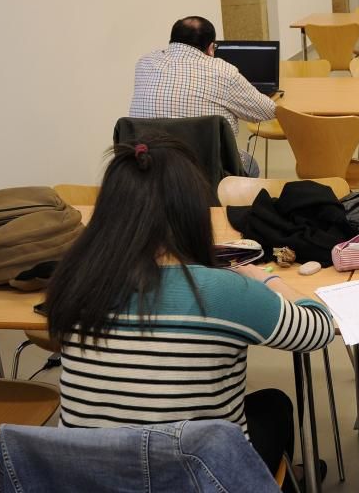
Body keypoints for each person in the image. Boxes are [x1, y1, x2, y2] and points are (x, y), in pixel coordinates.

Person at [45, 136, 336, 478]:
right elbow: (318, 328)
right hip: (198, 478)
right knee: (274, 405)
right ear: (192, 211)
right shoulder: (224, 290)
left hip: (92, 479)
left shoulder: (74, 281)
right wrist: (267, 280)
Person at [128, 16, 276, 177]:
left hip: (150, 167)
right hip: (204, 171)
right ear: (211, 48)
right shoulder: (223, 71)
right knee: (250, 164)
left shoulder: (144, 63)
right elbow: (266, 111)